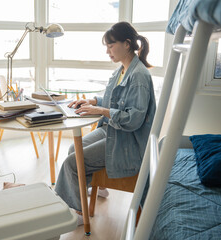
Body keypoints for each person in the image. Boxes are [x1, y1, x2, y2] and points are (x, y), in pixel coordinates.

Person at [54, 21, 157, 225]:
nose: (108, 51)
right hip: (113, 130)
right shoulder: (121, 71)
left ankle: (77, 212)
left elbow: (133, 119)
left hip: (128, 141)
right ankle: (98, 187)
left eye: (111, 46)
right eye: (106, 47)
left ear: (126, 44)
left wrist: (101, 110)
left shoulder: (138, 77)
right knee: (73, 149)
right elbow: (113, 102)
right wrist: (93, 101)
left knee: (72, 164)